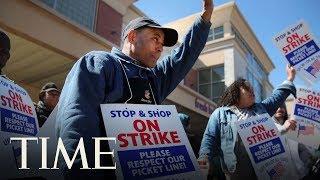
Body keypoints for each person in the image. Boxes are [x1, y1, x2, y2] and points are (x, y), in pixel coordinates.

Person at [55, 0, 214, 179]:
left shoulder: (154, 80)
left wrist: (204, 19)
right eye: (155, 38)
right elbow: (78, 122)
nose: (161, 47)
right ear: (132, 37)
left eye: (162, 43)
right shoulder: (100, 63)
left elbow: (183, 56)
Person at [198, 65, 297, 180]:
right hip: (236, 173)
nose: (252, 90)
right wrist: (204, 157)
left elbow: (278, 95)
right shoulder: (220, 114)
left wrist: (290, 77)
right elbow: (209, 138)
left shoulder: (262, 108)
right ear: (236, 92)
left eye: (252, 89)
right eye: (247, 88)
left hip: (266, 170)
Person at [273, 105, 319, 179]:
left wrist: (308, 162)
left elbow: (302, 147)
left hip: (302, 174)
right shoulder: (269, 128)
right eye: (276, 107)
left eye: (282, 107)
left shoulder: (294, 124)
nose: (279, 109)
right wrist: (284, 128)